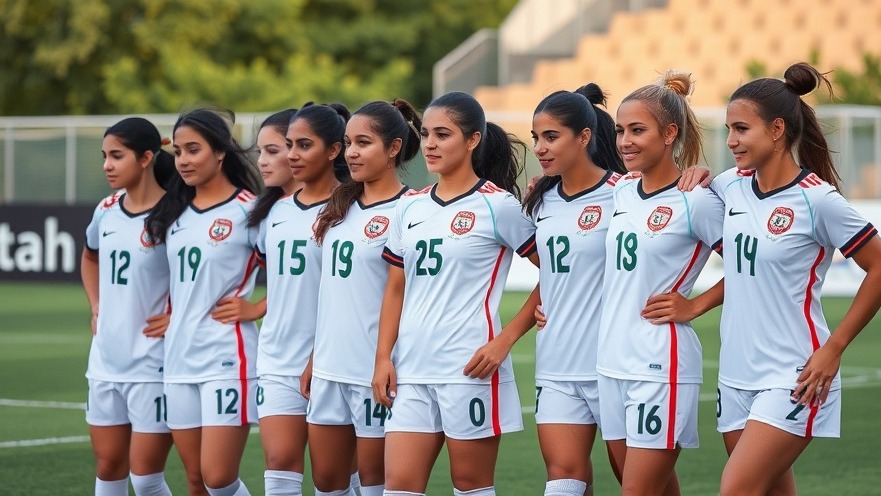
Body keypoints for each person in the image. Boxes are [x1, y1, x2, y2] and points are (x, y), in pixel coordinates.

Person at [712, 62, 881, 496]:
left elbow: (879, 267)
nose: (730, 141)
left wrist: (834, 348)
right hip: (735, 373)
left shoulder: (817, 200)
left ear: (777, 130)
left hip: (795, 374)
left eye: (741, 129)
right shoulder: (728, 186)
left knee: (736, 489)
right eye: (729, 129)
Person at [372, 91, 540, 496]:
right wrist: (382, 358)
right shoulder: (409, 207)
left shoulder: (498, 206)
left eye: (443, 135)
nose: (430, 144)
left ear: (472, 140)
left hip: (469, 369)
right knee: (398, 487)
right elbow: (395, 288)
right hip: (411, 371)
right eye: (426, 134)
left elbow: (557, 275)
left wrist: (504, 341)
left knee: (470, 487)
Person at [597, 72, 724, 496]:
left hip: (659, 364)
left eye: (637, 130)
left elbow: (754, 265)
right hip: (610, 360)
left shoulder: (697, 199)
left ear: (670, 134)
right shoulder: (621, 190)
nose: (624, 141)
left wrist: (696, 304)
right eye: (620, 130)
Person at [145, 108, 263, 496]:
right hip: (178, 358)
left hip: (225, 358)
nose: (183, 160)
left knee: (218, 477)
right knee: (195, 480)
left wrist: (258, 308)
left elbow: (297, 275)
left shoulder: (250, 210)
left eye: (193, 150)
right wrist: (174, 314)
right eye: (178, 151)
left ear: (221, 152)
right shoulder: (173, 212)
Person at [307, 99, 420, 496]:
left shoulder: (413, 208)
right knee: (327, 482)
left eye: (364, 143)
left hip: (375, 370)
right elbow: (332, 292)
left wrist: (384, 359)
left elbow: (404, 290)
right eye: (348, 142)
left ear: (393, 148)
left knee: (375, 483)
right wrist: (315, 356)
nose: (351, 152)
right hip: (329, 366)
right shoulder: (338, 206)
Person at [522, 84, 625, 496]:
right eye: (536, 138)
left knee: (639, 483)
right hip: (557, 365)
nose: (540, 148)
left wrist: (689, 304)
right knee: (564, 480)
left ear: (584, 137)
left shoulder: (627, 193)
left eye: (551, 137)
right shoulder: (540, 201)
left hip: (617, 366)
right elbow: (553, 273)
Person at [250, 103, 349, 496]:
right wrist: (258, 308)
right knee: (279, 466)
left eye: (303, 145)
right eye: (288, 144)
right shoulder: (275, 212)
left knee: (333, 479)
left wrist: (320, 355)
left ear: (333, 150)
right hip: (277, 358)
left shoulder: (351, 208)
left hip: (336, 361)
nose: (292, 154)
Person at [81, 117, 175, 496]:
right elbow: (90, 256)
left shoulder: (175, 214)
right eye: (104, 156)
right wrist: (96, 306)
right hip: (105, 361)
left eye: (117, 156)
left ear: (146, 158)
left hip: (153, 363)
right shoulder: (105, 209)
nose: (107, 165)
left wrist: (178, 315)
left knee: (146, 478)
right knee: (108, 467)